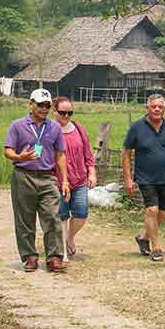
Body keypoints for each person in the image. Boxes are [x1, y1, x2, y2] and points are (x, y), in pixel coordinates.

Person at [4, 88, 70, 273]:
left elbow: (60, 155)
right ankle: (30, 257)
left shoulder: (54, 127)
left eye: (47, 105)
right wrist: (19, 157)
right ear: (30, 104)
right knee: (25, 219)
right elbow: (7, 150)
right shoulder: (17, 125)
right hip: (23, 175)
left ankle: (54, 257)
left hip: (48, 177)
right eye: (40, 104)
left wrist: (64, 181)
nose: (44, 108)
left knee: (52, 217)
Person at [122, 94, 165, 262]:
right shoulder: (137, 128)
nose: (157, 109)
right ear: (147, 108)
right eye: (153, 106)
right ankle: (156, 248)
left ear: (164, 109)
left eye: (160, 107)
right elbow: (126, 153)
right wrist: (128, 179)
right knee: (152, 210)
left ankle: (143, 237)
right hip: (145, 178)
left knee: (163, 212)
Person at [52, 96, 97, 262]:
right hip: (57, 181)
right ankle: (62, 251)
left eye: (69, 112)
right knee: (62, 216)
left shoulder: (78, 128)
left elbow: (87, 153)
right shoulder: (49, 129)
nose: (66, 116)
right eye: (62, 112)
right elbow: (39, 150)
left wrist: (91, 172)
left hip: (79, 180)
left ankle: (70, 237)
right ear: (54, 111)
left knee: (81, 213)